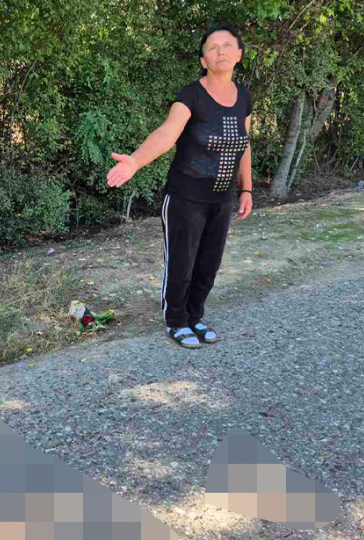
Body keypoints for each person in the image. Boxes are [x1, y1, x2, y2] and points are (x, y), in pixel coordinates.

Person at [106, 24, 253, 349]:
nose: (220, 51)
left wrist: (247, 189)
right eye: (212, 47)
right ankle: (176, 320)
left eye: (227, 45)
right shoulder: (191, 95)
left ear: (239, 54)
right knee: (182, 263)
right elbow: (167, 133)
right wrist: (135, 161)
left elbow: (244, 144)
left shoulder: (244, 97)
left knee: (209, 264)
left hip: (221, 199)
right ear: (203, 60)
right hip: (186, 198)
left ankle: (194, 316)